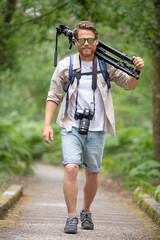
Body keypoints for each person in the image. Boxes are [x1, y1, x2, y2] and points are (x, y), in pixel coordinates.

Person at [43, 21, 144, 234]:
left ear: (97, 42)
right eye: (82, 40)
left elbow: (130, 85)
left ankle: (85, 210)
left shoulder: (106, 65)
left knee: (92, 173)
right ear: (75, 41)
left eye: (90, 40)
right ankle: (71, 217)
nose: (86, 43)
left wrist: (138, 71)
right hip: (71, 125)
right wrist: (47, 124)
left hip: (97, 128)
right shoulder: (65, 65)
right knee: (71, 167)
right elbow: (53, 96)